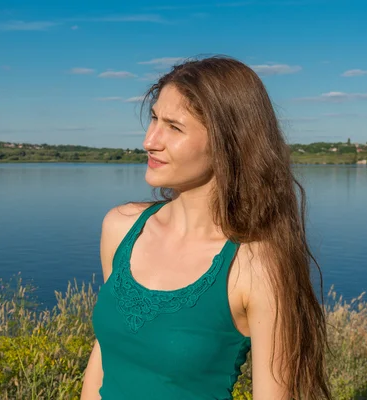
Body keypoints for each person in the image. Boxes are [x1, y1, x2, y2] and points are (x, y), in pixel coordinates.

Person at [80, 56, 331, 400]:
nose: (150, 141)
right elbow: (105, 352)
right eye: (154, 118)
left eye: (174, 127)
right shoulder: (121, 227)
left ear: (229, 143)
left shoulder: (255, 266)